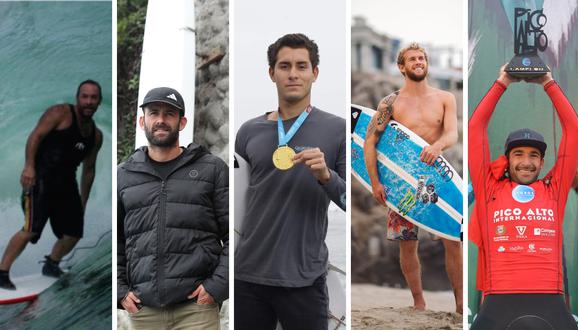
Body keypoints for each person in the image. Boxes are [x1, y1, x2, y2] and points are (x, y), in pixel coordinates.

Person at [234, 33, 346, 330]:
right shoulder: (248, 132)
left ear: (315, 73)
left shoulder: (337, 130)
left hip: (303, 277)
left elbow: (350, 201)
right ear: (272, 73)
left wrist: (326, 176)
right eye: (284, 66)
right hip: (248, 275)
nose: (293, 74)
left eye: (301, 66)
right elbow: (237, 200)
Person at [468, 66, 578, 329]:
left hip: (550, 301)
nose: (526, 162)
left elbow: (573, 128)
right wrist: (503, 81)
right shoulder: (489, 189)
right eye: (518, 154)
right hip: (497, 302)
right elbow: (475, 127)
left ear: (542, 163)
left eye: (533, 156)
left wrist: (548, 83)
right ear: (507, 160)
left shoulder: (554, 189)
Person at [117, 87, 228, 330]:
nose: (160, 120)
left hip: (196, 308)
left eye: (169, 114)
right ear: (142, 120)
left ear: (182, 122)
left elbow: (237, 234)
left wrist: (217, 286)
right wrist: (119, 291)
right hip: (144, 311)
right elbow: (117, 242)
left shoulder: (212, 169)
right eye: (154, 113)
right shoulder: (123, 175)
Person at [364, 42, 463, 313]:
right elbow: (369, 142)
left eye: (422, 58)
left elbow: (453, 133)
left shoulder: (445, 98)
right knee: (407, 243)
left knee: (453, 239)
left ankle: (459, 304)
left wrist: (438, 146)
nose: (419, 62)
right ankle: (419, 303)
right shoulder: (391, 103)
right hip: (402, 182)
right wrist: (375, 182)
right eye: (412, 59)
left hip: (437, 178)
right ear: (401, 66)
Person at [0, 80, 104, 289]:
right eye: (85, 96)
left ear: (99, 101)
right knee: (30, 229)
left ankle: (52, 264)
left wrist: (82, 201)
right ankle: (2, 272)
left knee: (74, 232)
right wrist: (29, 166)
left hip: (66, 185)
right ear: (77, 98)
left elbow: (89, 169)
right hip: (40, 180)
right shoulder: (60, 113)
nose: (88, 101)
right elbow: (35, 136)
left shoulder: (95, 135)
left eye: (93, 97)